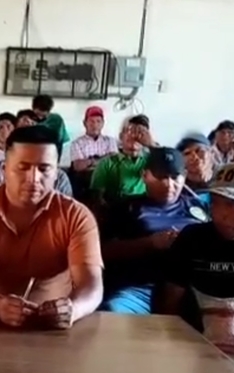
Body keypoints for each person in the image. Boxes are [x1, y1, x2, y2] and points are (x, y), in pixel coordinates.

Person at [0, 125, 103, 329]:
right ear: (4, 170)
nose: (33, 178)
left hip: (53, 326)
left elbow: (91, 285)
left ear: (57, 173)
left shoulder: (76, 216)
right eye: (23, 168)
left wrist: (73, 309)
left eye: (44, 169)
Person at [100, 147, 207, 314]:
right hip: (144, 288)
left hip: (197, 289)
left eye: (174, 177)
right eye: (161, 177)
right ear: (145, 175)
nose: (169, 184)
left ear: (184, 176)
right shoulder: (127, 208)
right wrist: (151, 243)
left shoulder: (200, 206)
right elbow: (103, 251)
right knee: (112, 314)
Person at [160, 164, 234, 353]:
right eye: (217, 202)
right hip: (196, 351)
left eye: (232, 204)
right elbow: (170, 304)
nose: (225, 214)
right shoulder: (193, 239)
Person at [90, 114, 154, 204]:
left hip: (146, 211)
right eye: (130, 131)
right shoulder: (107, 163)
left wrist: (151, 145)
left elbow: (171, 167)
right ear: (121, 136)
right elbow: (96, 198)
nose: (134, 136)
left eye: (140, 132)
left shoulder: (152, 161)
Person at [70, 106, 118, 172]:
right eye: (91, 121)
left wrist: (90, 162)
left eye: (98, 121)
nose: (95, 125)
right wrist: (105, 158)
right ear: (84, 123)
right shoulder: (77, 143)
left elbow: (114, 161)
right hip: (86, 179)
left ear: (103, 123)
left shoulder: (110, 141)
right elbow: (78, 166)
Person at [176, 133, 214, 204]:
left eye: (199, 151)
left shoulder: (225, 180)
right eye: (187, 153)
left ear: (211, 153)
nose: (194, 157)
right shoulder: (177, 189)